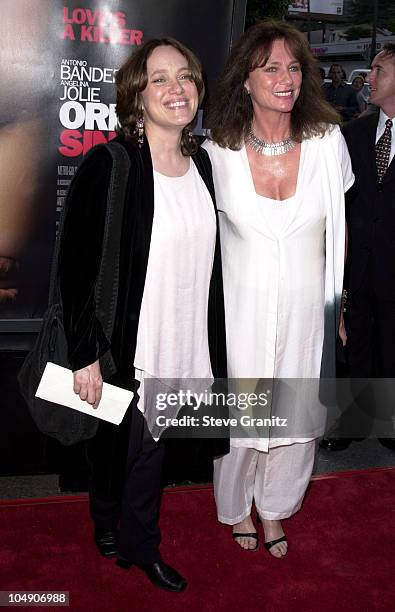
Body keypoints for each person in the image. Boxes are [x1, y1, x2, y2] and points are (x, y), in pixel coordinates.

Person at [58, 37, 227, 591]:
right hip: (122, 344)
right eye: (160, 79)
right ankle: (124, 532)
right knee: (114, 449)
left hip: (182, 338)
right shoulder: (110, 165)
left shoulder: (201, 162)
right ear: (137, 95)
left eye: (185, 77)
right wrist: (84, 355)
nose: (176, 88)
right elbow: (75, 267)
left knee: (146, 453)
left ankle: (128, 534)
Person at [204, 20, 353, 556]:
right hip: (238, 311)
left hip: (305, 312)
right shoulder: (218, 152)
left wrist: (338, 306)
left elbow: (339, 232)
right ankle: (235, 504)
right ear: (246, 79)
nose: (285, 78)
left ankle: (274, 510)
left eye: (294, 67)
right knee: (241, 418)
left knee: (294, 419)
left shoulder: (327, 143)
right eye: (271, 68)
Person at [320, 43, 395, 452]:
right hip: (358, 266)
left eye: (379, 70)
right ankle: (351, 422)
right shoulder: (354, 134)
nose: (369, 77)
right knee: (355, 345)